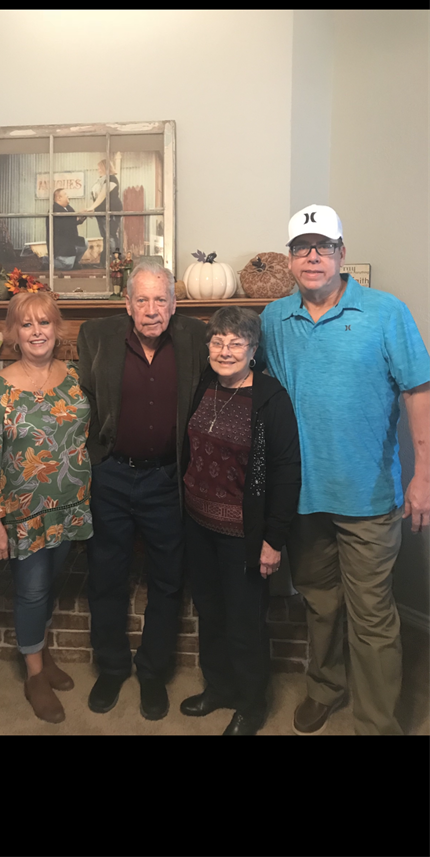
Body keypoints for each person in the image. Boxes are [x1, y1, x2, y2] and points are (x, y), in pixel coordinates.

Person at [261, 205, 430, 736]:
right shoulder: (272, 319)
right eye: (302, 248)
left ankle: (377, 722)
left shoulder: (386, 312)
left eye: (324, 246)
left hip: (369, 498)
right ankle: (325, 688)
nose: (313, 256)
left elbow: (418, 391)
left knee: (373, 617)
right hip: (304, 499)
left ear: (341, 253)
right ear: (290, 259)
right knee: (321, 605)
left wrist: (424, 472)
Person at [77, 263, 208, 720]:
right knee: (106, 576)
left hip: (167, 478)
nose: (152, 311)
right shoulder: (96, 336)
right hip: (111, 476)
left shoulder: (196, 338)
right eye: (143, 301)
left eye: (161, 301)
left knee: (168, 580)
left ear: (173, 304)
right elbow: (85, 397)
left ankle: (153, 673)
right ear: (127, 304)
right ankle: (112, 668)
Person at [0, 291, 93, 724]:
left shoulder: (74, 378)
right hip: (22, 513)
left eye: (44, 323)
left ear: (57, 329)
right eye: (27, 325)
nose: (37, 332)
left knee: (51, 585)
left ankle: (42, 651)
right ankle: (34, 673)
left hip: (68, 505)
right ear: (14, 333)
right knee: (32, 590)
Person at [180, 306, 300, 735]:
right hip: (198, 525)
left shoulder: (270, 399)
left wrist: (274, 539)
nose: (225, 350)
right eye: (218, 341)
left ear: (253, 349)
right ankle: (220, 687)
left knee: (245, 620)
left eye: (237, 343)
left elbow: (287, 472)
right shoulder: (204, 386)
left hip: (243, 535)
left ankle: (252, 703)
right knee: (210, 612)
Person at [84, 159, 122, 266]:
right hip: (102, 212)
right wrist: (94, 210)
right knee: (106, 236)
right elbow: (97, 197)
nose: (98, 170)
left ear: (106, 168)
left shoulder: (112, 179)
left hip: (110, 211)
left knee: (110, 235)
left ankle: (116, 261)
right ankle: (105, 262)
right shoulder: (101, 180)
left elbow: (103, 195)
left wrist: (92, 207)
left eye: (100, 168)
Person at [46, 188, 87, 270]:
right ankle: (46, 260)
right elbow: (64, 226)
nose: (68, 196)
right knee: (67, 265)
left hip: (70, 241)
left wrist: (81, 217)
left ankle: (75, 262)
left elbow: (72, 221)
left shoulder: (68, 208)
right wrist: (78, 217)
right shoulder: (54, 210)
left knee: (84, 243)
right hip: (60, 245)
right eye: (65, 194)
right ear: (59, 198)